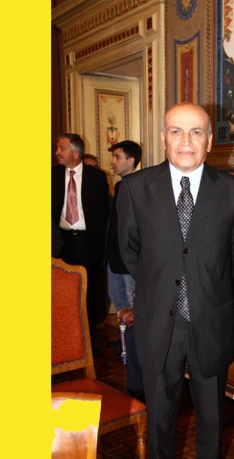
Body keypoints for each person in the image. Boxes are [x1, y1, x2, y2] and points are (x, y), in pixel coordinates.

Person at [117, 103, 234, 459]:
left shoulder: (233, 191)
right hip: (158, 320)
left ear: (210, 140)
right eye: (176, 131)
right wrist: (161, 286)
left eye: (195, 132)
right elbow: (129, 251)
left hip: (211, 319)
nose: (185, 141)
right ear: (162, 138)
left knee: (211, 413)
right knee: (160, 411)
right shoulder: (135, 189)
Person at [52, 133, 110, 342]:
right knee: (63, 294)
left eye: (62, 148)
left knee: (90, 293)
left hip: (89, 244)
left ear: (76, 153)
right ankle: (67, 340)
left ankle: (89, 341)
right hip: (62, 243)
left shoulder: (97, 177)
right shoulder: (52, 176)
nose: (57, 152)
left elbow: (104, 212)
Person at [107, 140, 143, 400]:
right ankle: (128, 357)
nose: (113, 162)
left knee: (134, 315)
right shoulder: (119, 185)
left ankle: (137, 366)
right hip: (114, 259)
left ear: (131, 161)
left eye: (117, 157)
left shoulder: (139, 186)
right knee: (121, 308)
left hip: (129, 263)